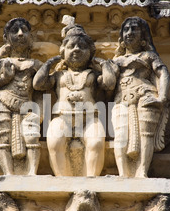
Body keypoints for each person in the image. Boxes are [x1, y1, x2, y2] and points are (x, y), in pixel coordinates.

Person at [33, 24, 116, 176]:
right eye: (71, 46)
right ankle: (62, 179)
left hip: (89, 118)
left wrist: (103, 63)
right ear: (63, 51)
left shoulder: (92, 75)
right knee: (55, 141)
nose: (76, 49)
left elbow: (109, 83)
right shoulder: (59, 76)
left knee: (96, 142)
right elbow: (38, 84)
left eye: (82, 46)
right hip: (62, 117)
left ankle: (91, 180)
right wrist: (50, 63)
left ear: (90, 53)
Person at [112, 17, 170, 178]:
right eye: (126, 29)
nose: (129, 32)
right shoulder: (116, 61)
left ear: (143, 35)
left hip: (146, 96)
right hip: (121, 100)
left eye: (134, 29)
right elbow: (106, 83)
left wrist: (162, 98)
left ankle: (142, 171)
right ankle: (123, 173)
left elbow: (163, 73)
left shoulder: (149, 56)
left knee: (146, 134)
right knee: (120, 134)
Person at [0, 18, 43, 175]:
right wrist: (5, 79)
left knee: (32, 138)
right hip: (2, 102)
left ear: (30, 37)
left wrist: (40, 112)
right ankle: (8, 174)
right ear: (6, 38)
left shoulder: (36, 65)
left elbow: (41, 91)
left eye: (24, 30)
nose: (20, 34)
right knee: (4, 141)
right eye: (15, 31)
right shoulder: (1, 63)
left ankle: (32, 172)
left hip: (27, 104)